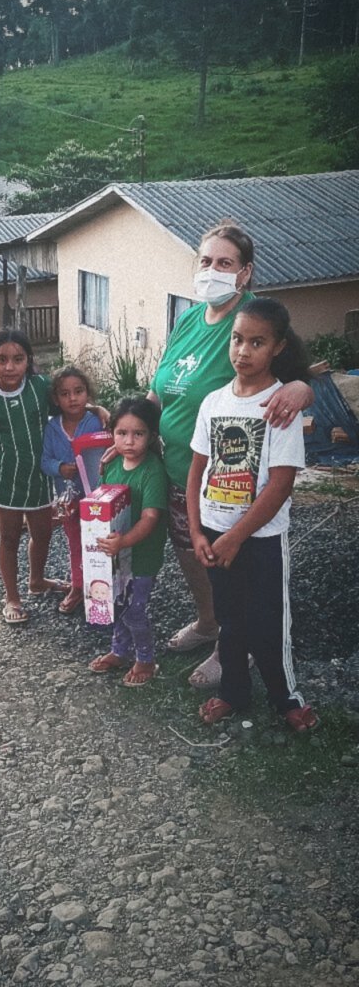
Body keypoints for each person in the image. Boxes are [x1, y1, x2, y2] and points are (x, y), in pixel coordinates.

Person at [148, 222, 313, 689]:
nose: (213, 271)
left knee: (228, 563)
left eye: (225, 263)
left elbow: (302, 377)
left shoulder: (253, 319)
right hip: (180, 467)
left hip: (231, 478)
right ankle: (208, 622)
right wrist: (128, 418)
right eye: (206, 261)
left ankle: (229, 646)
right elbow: (160, 387)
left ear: (244, 273)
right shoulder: (188, 319)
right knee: (190, 548)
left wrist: (301, 389)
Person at [186, 297, 319, 731]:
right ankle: (234, 692)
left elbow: (280, 486)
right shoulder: (212, 402)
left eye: (257, 342)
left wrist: (237, 536)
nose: (243, 351)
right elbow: (196, 474)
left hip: (259, 541)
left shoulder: (280, 406)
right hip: (214, 534)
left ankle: (287, 699)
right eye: (237, 339)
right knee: (230, 620)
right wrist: (198, 532)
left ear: (278, 347)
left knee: (268, 625)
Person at [0, 329, 71, 624]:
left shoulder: (40, 387)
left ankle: (36, 581)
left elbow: (67, 408)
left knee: (43, 533)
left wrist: (96, 410)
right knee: (9, 537)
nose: (10, 367)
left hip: (39, 475)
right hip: (5, 478)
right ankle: (11, 597)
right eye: (2, 359)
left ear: (28, 361)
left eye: (18, 359)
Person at [88, 397, 168, 687]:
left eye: (139, 434)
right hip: (115, 552)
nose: (129, 441)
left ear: (152, 436)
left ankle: (146, 658)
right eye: (122, 433)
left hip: (142, 555)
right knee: (118, 603)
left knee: (135, 608)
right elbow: (104, 503)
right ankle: (119, 651)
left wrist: (124, 542)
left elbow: (150, 518)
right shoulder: (111, 464)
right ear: (111, 434)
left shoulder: (153, 471)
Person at [41, 365, 103, 615]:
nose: (73, 398)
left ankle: (102, 588)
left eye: (78, 391)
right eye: (65, 394)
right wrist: (59, 467)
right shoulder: (52, 427)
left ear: (87, 393)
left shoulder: (97, 420)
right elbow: (44, 460)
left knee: (100, 542)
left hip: (97, 498)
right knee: (75, 542)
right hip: (68, 500)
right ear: (56, 399)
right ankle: (77, 587)